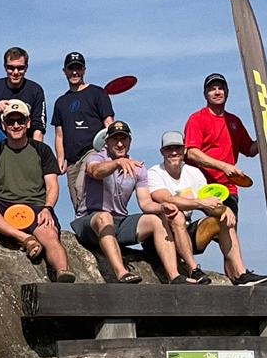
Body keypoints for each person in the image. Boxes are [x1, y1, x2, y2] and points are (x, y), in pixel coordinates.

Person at [72, 121, 210, 285]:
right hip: (90, 220)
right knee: (104, 217)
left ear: (130, 141)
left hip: (119, 222)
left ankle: (174, 276)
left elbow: (145, 203)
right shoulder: (96, 157)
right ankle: (122, 273)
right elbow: (95, 171)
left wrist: (162, 207)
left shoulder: (138, 168)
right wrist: (117, 163)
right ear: (107, 142)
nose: (120, 143)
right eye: (115, 139)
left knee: (157, 219)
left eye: (124, 139)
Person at [182, 73, 267, 288]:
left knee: (228, 228)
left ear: (227, 92)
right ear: (205, 93)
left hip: (230, 188)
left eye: (221, 88)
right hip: (204, 185)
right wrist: (222, 165)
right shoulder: (197, 119)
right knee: (227, 221)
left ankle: (235, 276)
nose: (217, 92)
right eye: (212, 88)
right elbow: (191, 152)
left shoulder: (233, 121)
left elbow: (251, 149)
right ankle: (241, 273)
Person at [146, 130, 267, 287]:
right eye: (169, 149)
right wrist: (201, 203)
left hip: (187, 233)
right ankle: (193, 270)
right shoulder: (154, 173)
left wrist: (223, 209)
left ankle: (240, 274)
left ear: (184, 150)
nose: (174, 152)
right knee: (176, 216)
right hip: (163, 235)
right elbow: (167, 199)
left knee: (223, 219)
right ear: (162, 152)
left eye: (177, 148)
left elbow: (208, 201)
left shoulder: (193, 173)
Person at [0, 100, 73, 280]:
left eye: (20, 121)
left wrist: (48, 208)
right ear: (4, 125)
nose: (16, 125)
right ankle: (23, 238)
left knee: (49, 234)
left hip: (36, 207)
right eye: (11, 122)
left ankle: (63, 273)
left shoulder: (42, 150)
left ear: (28, 123)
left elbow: (52, 185)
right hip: (3, 206)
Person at [52, 51, 114, 211]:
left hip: (93, 152)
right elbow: (59, 134)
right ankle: (86, 231)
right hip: (72, 160)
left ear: (84, 70)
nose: (74, 72)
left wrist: (111, 149)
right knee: (77, 202)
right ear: (64, 71)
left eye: (78, 68)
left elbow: (109, 123)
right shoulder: (61, 102)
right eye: (71, 68)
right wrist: (60, 159)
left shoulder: (97, 93)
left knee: (83, 190)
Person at [0, 47, 47, 141]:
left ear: (26, 68)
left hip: (26, 146)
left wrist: (36, 152)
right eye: (11, 68)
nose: (15, 72)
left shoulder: (35, 90)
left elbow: (39, 126)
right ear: (5, 67)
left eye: (20, 68)